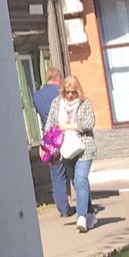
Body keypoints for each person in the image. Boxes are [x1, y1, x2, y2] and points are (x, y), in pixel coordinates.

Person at [44, 75, 98, 232]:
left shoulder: (85, 103)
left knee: (81, 180)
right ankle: (89, 212)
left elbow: (89, 123)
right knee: (75, 181)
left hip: (84, 147)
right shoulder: (56, 103)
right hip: (65, 149)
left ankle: (81, 217)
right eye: (66, 92)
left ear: (78, 91)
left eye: (73, 92)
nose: (69, 95)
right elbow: (49, 125)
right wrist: (49, 139)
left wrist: (70, 126)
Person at [33, 68, 75, 217]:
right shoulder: (60, 94)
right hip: (64, 134)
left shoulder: (37, 96)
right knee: (73, 168)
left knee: (56, 173)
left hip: (49, 138)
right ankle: (84, 204)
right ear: (58, 79)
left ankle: (63, 209)